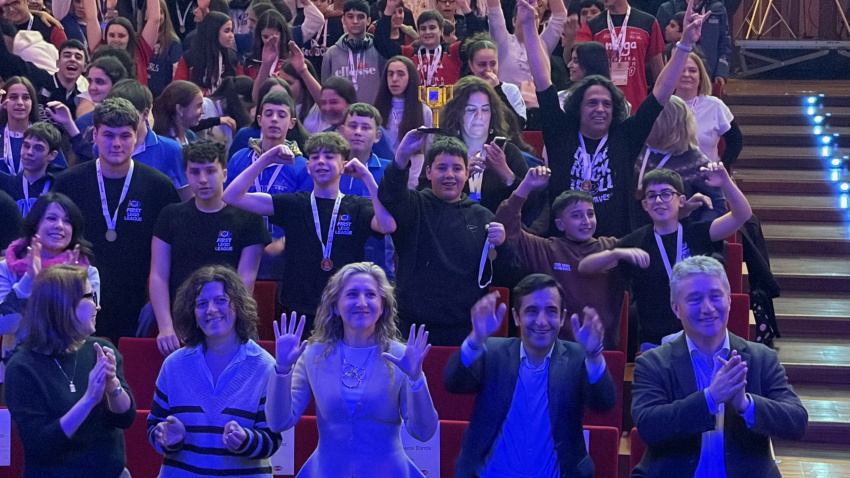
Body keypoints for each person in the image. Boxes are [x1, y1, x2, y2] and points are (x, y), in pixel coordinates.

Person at [522, 0, 709, 238]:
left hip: (615, 247)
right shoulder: (560, 132)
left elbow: (660, 94)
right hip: (562, 246)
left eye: (607, 104)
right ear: (578, 107)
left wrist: (685, 44)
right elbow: (542, 80)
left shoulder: (625, 137)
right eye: (592, 103)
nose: (600, 109)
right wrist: (528, 24)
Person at [631, 256, 808, 477]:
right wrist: (710, 398)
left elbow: (797, 422)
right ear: (676, 309)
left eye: (716, 296)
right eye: (694, 299)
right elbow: (649, 426)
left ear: (729, 300)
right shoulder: (653, 362)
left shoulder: (761, 357)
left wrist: (746, 404)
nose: (708, 308)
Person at [266, 262, 438, 476]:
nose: (362, 303)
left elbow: (424, 432)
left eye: (371, 295)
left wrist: (416, 378)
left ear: (383, 305)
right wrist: (282, 369)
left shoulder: (402, 356)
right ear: (336, 305)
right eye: (352, 294)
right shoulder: (312, 355)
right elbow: (278, 422)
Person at [443, 274, 616, 477]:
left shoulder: (577, 357)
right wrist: (475, 339)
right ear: (517, 317)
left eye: (551, 311)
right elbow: (453, 382)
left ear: (562, 318)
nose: (542, 321)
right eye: (532, 311)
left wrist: (594, 355)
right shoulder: (493, 352)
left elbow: (604, 403)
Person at [223, 132, 395, 333]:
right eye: (315, 157)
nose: (321, 162)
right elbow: (232, 196)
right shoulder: (294, 203)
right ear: (308, 167)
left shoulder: (357, 206)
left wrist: (366, 176)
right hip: (296, 309)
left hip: (343, 311)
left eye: (330, 156)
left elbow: (387, 226)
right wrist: (266, 158)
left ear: (344, 166)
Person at [579, 166, 752, 348]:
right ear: (645, 205)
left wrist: (725, 182)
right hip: (654, 343)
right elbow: (584, 267)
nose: (659, 200)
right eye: (652, 196)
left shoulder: (697, 232)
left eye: (666, 194)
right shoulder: (636, 241)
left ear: (681, 200)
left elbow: (742, 215)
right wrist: (616, 253)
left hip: (699, 338)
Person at [52, 98, 181, 342]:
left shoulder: (159, 186)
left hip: (139, 302)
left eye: (125, 136)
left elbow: (176, 249)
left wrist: (158, 302)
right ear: (94, 135)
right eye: (109, 135)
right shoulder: (68, 183)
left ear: (136, 137)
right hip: (77, 302)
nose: (117, 144)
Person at [147, 265, 283, 475]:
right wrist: (167, 437)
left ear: (237, 305)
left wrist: (246, 441)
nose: (211, 310)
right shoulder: (173, 365)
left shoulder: (265, 366)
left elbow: (273, 441)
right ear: (192, 312)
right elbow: (153, 427)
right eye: (201, 303)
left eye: (220, 300)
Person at [378, 131, 510, 345]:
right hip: (412, 328)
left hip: (464, 330)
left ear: (467, 173)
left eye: (457, 168)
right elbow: (389, 195)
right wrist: (402, 156)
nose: (449, 174)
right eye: (442, 168)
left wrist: (502, 244)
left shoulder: (483, 216)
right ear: (428, 172)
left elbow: (505, 271)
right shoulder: (413, 206)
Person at [5, 264, 135, 477]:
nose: (97, 306)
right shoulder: (22, 367)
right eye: (90, 297)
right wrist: (89, 399)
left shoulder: (100, 350)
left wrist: (114, 387)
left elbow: (125, 419)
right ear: (63, 306)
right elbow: (41, 445)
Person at [149, 141, 270, 356]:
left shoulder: (248, 218)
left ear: (224, 174)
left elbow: (245, 282)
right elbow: (158, 274)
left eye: (210, 171)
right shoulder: (170, 216)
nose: (202, 180)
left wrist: (222, 324)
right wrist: (166, 326)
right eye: (195, 172)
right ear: (186, 175)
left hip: (231, 316)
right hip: (182, 320)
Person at [494, 167, 626, 349]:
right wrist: (526, 185)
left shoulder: (612, 247)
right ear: (559, 224)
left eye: (590, 214)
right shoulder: (546, 248)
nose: (586, 221)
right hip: (555, 351)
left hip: (603, 349)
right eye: (576, 216)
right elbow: (505, 227)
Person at [0, 193, 100, 389]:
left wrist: (67, 283)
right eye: (51, 218)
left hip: (69, 367)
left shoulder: (87, 272)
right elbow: (4, 326)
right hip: (17, 367)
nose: (60, 226)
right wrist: (29, 279)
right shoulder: (6, 268)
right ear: (35, 224)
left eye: (67, 221)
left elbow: (82, 326)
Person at [632, 95, 727, 229]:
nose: (644, 125)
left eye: (651, 121)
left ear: (667, 125)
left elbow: (717, 206)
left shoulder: (697, 162)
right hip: (639, 231)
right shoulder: (640, 150)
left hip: (680, 236)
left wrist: (691, 229)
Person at [439, 76, 529, 213]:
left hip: (500, 228)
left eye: (485, 109)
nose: (479, 115)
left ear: (492, 114)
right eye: (470, 109)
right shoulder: (443, 151)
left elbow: (532, 206)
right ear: (456, 114)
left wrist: (506, 174)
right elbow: (427, 199)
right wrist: (462, 176)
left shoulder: (508, 152)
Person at [103, 79, 192, 200]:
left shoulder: (171, 149)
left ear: (145, 114)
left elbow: (186, 198)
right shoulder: (101, 146)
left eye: (128, 114)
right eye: (115, 113)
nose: (121, 120)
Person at [486, 0, 565, 130]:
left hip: (540, 116)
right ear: (513, 20)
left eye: (535, 17)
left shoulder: (544, 44)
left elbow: (560, 15)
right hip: (508, 112)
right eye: (523, 14)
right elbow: (494, 7)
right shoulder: (502, 41)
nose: (529, 18)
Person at [575, 0, 665, 109]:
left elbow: (659, 73)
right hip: (601, 106)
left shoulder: (648, 22)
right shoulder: (591, 25)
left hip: (637, 105)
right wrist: (570, 40)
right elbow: (576, 64)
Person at [375, 2, 467, 87]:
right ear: (418, 32)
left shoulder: (453, 52)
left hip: (449, 104)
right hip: (416, 104)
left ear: (441, 30)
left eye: (432, 28)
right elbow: (381, 43)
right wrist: (389, 9)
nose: (427, 32)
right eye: (423, 29)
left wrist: (465, 7)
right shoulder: (409, 54)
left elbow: (475, 38)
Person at [675, 52, 741, 165]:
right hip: (668, 179)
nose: (686, 74)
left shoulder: (715, 106)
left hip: (705, 179)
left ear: (700, 77)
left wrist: (720, 168)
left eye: (692, 70)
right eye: (682, 69)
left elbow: (736, 142)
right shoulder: (662, 105)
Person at [0, 32, 87, 118]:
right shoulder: (36, 77)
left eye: (78, 57)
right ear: (57, 63)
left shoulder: (81, 101)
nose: (72, 59)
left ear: (84, 68)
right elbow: (4, 58)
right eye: (67, 55)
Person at [83, 0, 160, 87]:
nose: (116, 40)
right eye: (112, 35)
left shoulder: (140, 51)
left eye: (121, 36)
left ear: (129, 37)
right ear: (106, 37)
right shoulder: (99, 49)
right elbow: (91, 18)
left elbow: (155, 19)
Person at [321, 0, 386, 104]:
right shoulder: (331, 54)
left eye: (360, 17)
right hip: (341, 117)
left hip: (373, 116)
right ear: (343, 20)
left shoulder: (380, 50)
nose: (355, 21)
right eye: (350, 17)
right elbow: (325, 91)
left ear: (368, 20)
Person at [0, 77, 67, 175]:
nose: (20, 102)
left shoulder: (46, 136)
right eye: (13, 97)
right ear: (3, 102)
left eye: (26, 97)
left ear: (32, 102)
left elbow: (61, 176)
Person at [657, 0, 732, 84]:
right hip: (674, 80)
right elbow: (656, 49)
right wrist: (673, 40)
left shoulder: (717, 10)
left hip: (709, 78)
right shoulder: (667, 9)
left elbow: (724, 45)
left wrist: (721, 72)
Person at [464, 34, 527, 127]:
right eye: (482, 64)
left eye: (493, 64)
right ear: (471, 65)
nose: (488, 69)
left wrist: (497, 90)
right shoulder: (462, 91)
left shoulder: (511, 90)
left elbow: (518, 125)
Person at [0, 122, 62, 216]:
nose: (29, 152)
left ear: (52, 155)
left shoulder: (59, 185)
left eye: (38, 148)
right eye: (26, 146)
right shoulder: (6, 184)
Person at [373, 55, 431, 152]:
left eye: (400, 74)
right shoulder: (376, 110)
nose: (394, 79)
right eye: (390, 74)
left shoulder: (424, 111)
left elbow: (428, 148)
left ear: (410, 78)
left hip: (414, 165)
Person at [181, 11, 242, 96]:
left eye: (232, 31)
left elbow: (241, 88)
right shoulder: (189, 57)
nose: (231, 35)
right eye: (227, 31)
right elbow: (178, 89)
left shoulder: (232, 58)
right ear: (214, 31)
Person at [147, 0, 184, 98]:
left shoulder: (173, 42)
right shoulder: (139, 38)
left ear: (166, 15)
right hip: (143, 94)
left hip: (163, 96)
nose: (157, 16)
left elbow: (175, 75)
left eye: (161, 12)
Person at [152, 81, 205, 145]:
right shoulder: (162, 144)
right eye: (198, 106)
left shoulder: (191, 137)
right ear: (180, 109)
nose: (202, 112)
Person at [2, 0, 67, 48]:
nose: (11, 9)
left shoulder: (50, 28)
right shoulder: (2, 28)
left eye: (15, 3)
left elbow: (64, 60)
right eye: (6, 5)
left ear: (27, 1)